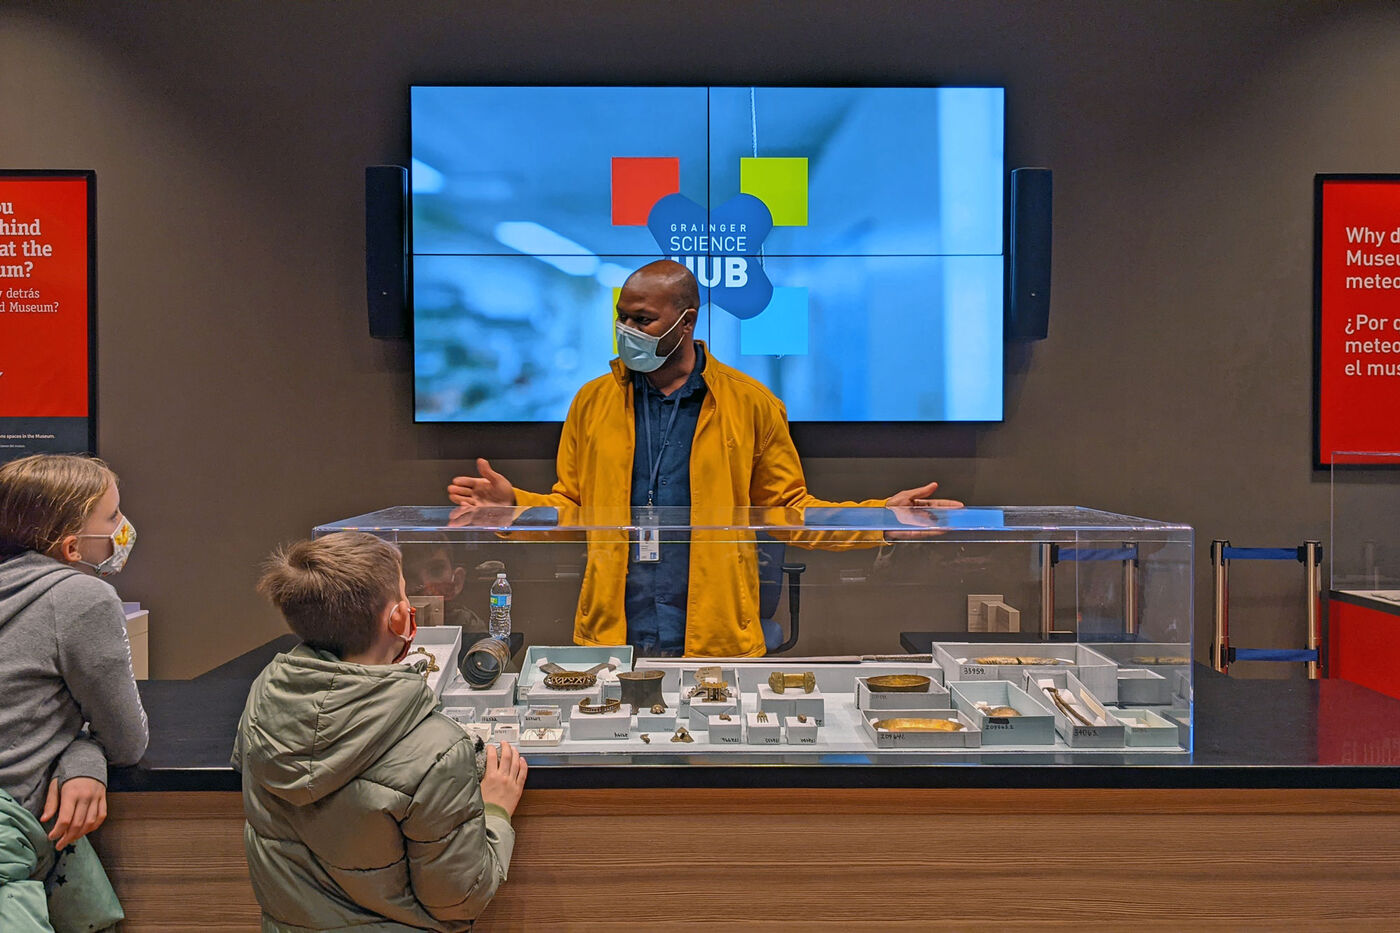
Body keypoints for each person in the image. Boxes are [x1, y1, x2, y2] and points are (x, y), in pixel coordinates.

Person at [448, 259, 961, 658]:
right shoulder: (592, 402)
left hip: (715, 642)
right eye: (622, 317)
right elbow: (575, 508)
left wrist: (881, 520)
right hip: (613, 636)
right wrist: (513, 505)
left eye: (642, 319)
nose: (626, 329)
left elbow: (789, 512)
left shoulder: (751, 404)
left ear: (686, 320)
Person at [234, 531, 527, 931]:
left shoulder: (261, 706)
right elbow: (458, 899)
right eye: (405, 594)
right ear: (398, 619)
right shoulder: (437, 750)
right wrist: (494, 812)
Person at [0, 453, 149, 931]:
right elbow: (126, 740)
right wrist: (85, 756)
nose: (123, 527)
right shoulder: (80, 598)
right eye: (111, 517)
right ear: (70, 547)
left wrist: (75, 756)